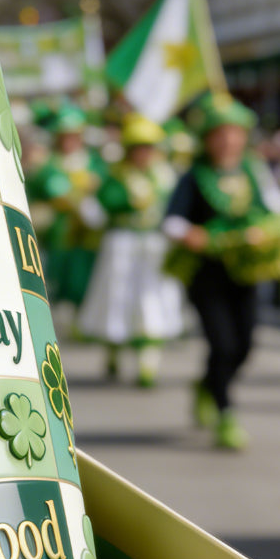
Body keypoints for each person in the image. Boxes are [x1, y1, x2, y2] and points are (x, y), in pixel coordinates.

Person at [163, 92, 280, 451]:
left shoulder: (254, 170)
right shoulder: (194, 176)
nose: (228, 141)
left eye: (234, 132)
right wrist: (190, 234)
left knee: (246, 345)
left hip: (246, 271)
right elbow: (172, 220)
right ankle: (226, 412)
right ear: (207, 139)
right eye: (220, 133)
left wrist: (269, 228)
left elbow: (277, 208)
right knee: (222, 343)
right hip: (206, 274)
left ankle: (207, 384)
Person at [77, 114, 184, 386]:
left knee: (152, 300)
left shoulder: (166, 176)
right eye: (139, 148)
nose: (144, 154)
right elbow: (100, 208)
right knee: (117, 297)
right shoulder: (115, 176)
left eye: (149, 147)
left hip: (155, 246)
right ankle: (113, 350)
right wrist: (125, 201)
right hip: (122, 244)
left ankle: (148, 363)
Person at [26, 100, 104, 309]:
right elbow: (52, 190)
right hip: (60, 232)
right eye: (64, 136)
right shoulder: (49, 163)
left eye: (73, 136)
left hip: (90, 234)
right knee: (59, 274)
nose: (69, 141)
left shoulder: (93, 161)